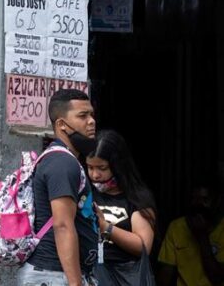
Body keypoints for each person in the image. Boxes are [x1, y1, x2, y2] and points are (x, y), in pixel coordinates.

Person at [18, 89, 99, 286]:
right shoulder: (63, 163)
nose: (91, 121)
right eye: (82, 116)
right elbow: (62, 225)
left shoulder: (63, 159)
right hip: (52, 276)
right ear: (62, 124)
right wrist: (75, 283)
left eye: (91, 115)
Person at [86, 130, 157, 285]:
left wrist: (106, 228)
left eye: (102, 168)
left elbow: (143, 246)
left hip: (126, 277)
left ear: (118, 165)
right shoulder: (85, 191)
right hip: (90, 274)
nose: (95, 175)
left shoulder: (136, 198)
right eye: (90, 167)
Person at [157, 182, 224, 286]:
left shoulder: (222, 229)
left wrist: (202, 237)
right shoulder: (176, 227)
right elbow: (165, 277)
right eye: (194, 199)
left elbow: (217, 278)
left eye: (205, 200)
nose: (198, 204)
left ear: (217, 202)